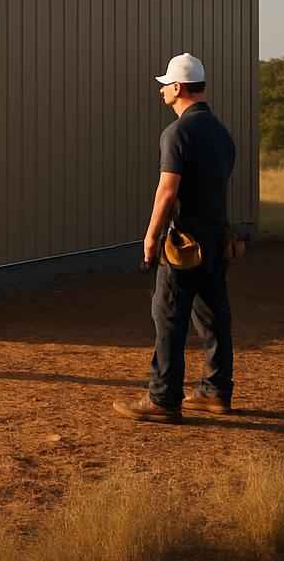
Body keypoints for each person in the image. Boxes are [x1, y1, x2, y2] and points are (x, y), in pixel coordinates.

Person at [113, 52, 242, 423]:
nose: (162, 92)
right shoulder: (220, 131)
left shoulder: (177, 132)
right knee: (215, 316)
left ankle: (163, 399)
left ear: (179, 87)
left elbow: (167, 191)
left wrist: (151, 238)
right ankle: (216, 392)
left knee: (168, 316)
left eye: (165, 85)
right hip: (217, 237)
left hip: (184, 242)